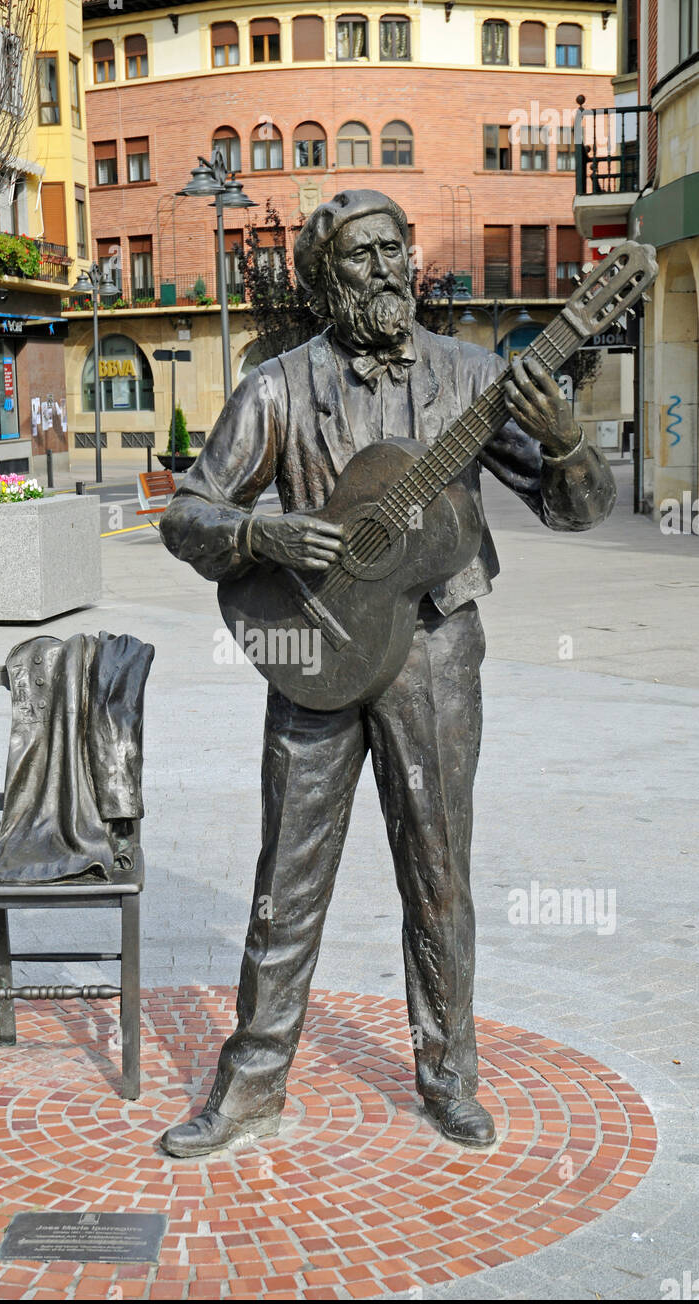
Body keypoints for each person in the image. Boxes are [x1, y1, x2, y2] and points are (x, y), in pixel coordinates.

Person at [158, 189, 615, 1157]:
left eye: (393, 250)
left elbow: (573, 509)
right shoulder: (274, 389)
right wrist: (256, 529)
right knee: (284, 875)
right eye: (359, 256)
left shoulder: (470, 376)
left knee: (438, 874)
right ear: (324, 279)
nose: (383, 270)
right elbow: (184, 515)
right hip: (310, 649)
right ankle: (249, 1087)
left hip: (434, 648)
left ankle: (447, 1077)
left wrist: (569, 439)